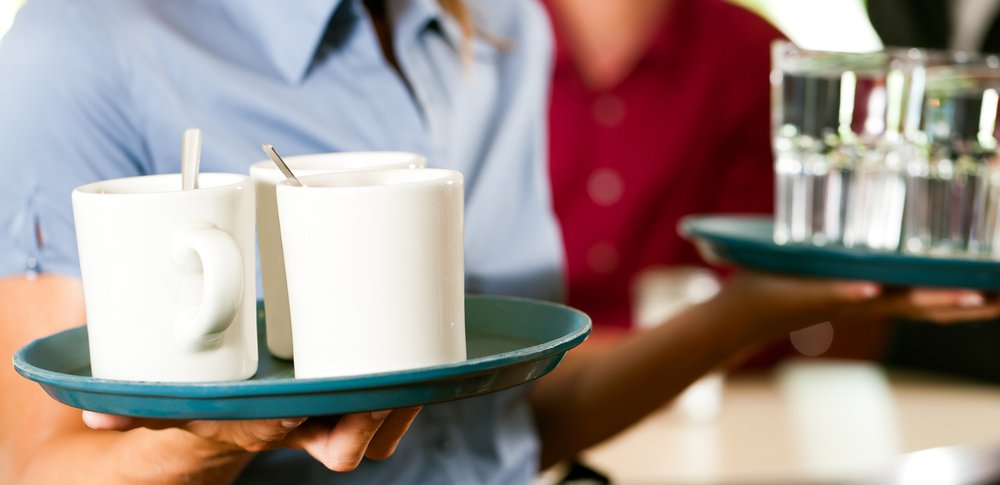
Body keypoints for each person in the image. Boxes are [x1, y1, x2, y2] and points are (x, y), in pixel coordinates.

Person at [1, 1, 997, 484]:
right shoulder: (82, 50)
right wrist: (225, 430)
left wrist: (772, 298)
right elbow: (44, 470)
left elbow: (503, 424)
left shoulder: (491, 30)